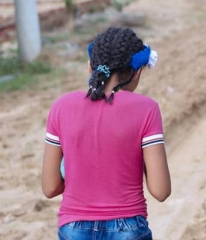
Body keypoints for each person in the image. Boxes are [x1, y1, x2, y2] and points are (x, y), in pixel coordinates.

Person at [42, 27, 171, 240]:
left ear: (90, 67)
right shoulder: (147, 108)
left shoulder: (61, 107)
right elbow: (160, 190)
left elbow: (50, 187)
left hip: (73, 228)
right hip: (129, 229)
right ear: (137, 72)